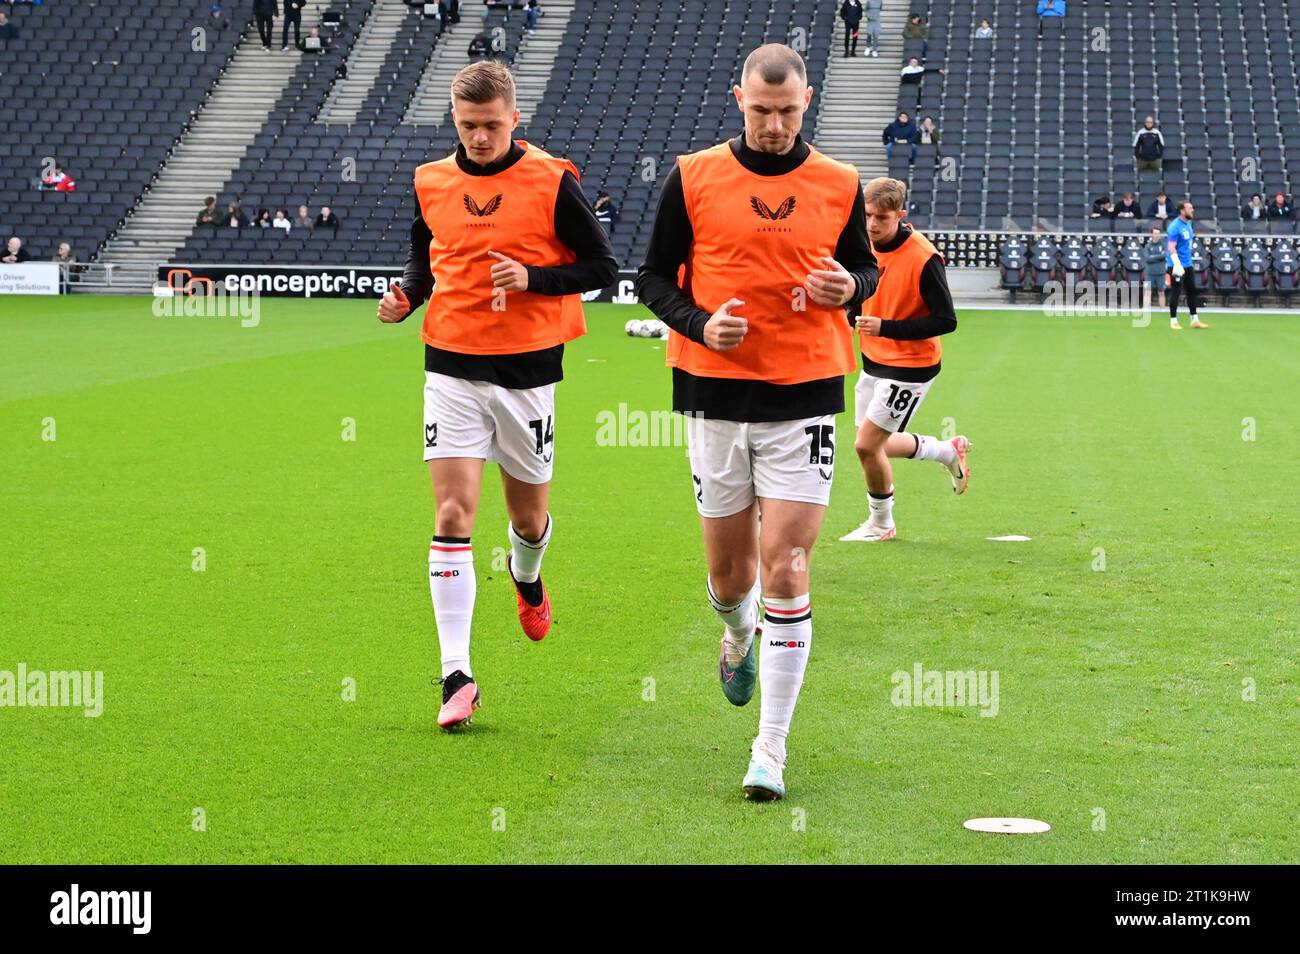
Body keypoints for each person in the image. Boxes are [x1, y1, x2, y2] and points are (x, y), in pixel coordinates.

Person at [635, 44, 878, 801]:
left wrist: (851, 286)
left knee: (790, 568)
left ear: (807, 102)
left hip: (803, 393)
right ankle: (737, 635)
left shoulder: (840, 183)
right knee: (730, 577)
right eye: (761, 110)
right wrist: (701, 326)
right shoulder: (693, 176)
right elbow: (649, 277)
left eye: (789, 111)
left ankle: (769, 749)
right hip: (713, 394)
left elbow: (865, 271)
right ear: (738, 97)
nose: (774, 125)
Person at [374, 61, 617, 732]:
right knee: (453, 511)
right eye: (465, 126)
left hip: (527, 371)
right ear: (453, 120)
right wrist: (407, 297)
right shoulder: (430, 181)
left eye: (489, 126)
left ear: (515, 119)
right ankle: (457, 674)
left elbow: (602, 267)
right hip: (450, 363)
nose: (478, 138)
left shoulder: (551, 179)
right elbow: (425, 260)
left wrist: (535, 277)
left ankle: (527, 575)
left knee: (529, 519)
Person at [845, 177, 967, 544]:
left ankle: (882, 523)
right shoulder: (862, 243)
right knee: (872, 444)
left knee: (867, 446)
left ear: (900, 214)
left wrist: (885, 327)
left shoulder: (923, 257)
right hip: (874, 359)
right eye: (866, 215)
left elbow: (946, 320)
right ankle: (947, 450)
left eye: (882, 217)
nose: (871, 225)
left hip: (912, 365)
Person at [1166, 199, 1207, 329]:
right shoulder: (1174, 227)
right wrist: (1177, 264)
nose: (1192, 210)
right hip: (1176, 265)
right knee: (1176, 292)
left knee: (1192, 291)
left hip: (1187, 264)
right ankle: (1173, 321)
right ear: (1182, 211)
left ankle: (1194, 319)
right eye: (1189, 208)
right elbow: (1171, 247)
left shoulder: (1188, 224)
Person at [1144, 227, 1167, 308]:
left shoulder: (1164, 245)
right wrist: (1159, 257)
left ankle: (1163, 310)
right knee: (1147, 292)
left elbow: (1165, 255)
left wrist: (1153, 256)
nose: (1156, 235)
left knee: (1161, 292)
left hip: (1161, 273)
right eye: (1155, 233)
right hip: (1149, 273)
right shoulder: (1147, 246)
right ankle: (1145, 310)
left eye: (1158, 233)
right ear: (1152, 234)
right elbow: (1147, 258)